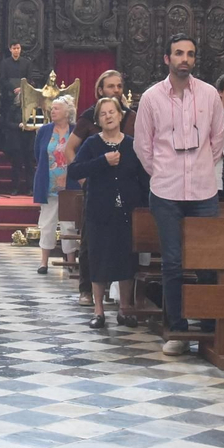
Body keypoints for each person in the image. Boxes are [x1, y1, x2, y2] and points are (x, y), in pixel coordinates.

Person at [133, 33, 224, 356]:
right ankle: (177, 330)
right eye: (178, 53)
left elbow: (217, 141)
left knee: (208, 262)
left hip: (203, 190)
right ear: (166, 59)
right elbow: (142, 145)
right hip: (166, 190)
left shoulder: (210, 94)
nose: (184, 58)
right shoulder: (151, 97)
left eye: (189, 53)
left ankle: (210, 327)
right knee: (172, 263)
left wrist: (199, 167)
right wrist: (162, 171)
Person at [69, 96, 149, 330]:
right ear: (98, 120)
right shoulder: (93, 144)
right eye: (103, 114)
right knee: (99, 260)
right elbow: (74, 170)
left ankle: (125, 309)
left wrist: (145, 207)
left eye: (112, 112)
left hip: (126, 212)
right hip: (98, 212)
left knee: (125, 260)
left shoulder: (132, 144)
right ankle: (99, 311)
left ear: (120, 115)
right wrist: (103, 161)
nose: (108, 116)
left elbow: (144, 178)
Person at [66, 69, 139, 307]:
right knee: (92, 244)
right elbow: (71, 152)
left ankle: (123, 302)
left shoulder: (131, 117)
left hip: (124, 195)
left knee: (124, 249)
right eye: (111, 86)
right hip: (97, 191)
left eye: (119, 86)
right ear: (100, 90)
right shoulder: (89, 118)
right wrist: (86, 180)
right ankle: (87, 290)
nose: (116, 90)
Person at [32, 97, 78, 275]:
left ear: (67, 112)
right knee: (47, 223)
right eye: (52, 109)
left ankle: (71, 262)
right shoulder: (44, 131)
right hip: (48, 183)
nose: (52, 111)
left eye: (57, 109)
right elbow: (38, 153)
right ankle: (44, 262)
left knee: (69, 224)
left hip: (70, 185)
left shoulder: (75, 131)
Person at [0, 41, 35, 193]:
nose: (16, 50)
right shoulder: (5, 63)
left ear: (20, 49)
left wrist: (23, 89)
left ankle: (30, 187)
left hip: (24, 100)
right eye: (14, 48)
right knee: (17, 161)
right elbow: (2, 79)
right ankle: (15, 187)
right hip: (9, 97)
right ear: (10, 49)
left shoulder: (27, 63)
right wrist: (14, 89)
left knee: (29, 162)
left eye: (18, 48)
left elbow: (30, 79)